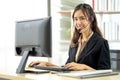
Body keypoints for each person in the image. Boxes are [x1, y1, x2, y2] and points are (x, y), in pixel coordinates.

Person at [29, 3, 111, 71]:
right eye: (75, 19)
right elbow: (67, 68)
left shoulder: (101, 43)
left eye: (82, 18)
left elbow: (106, 73)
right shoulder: (74, 43)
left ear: (91, 19)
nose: (78, 23)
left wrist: (84, 67)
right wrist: (47, 64)